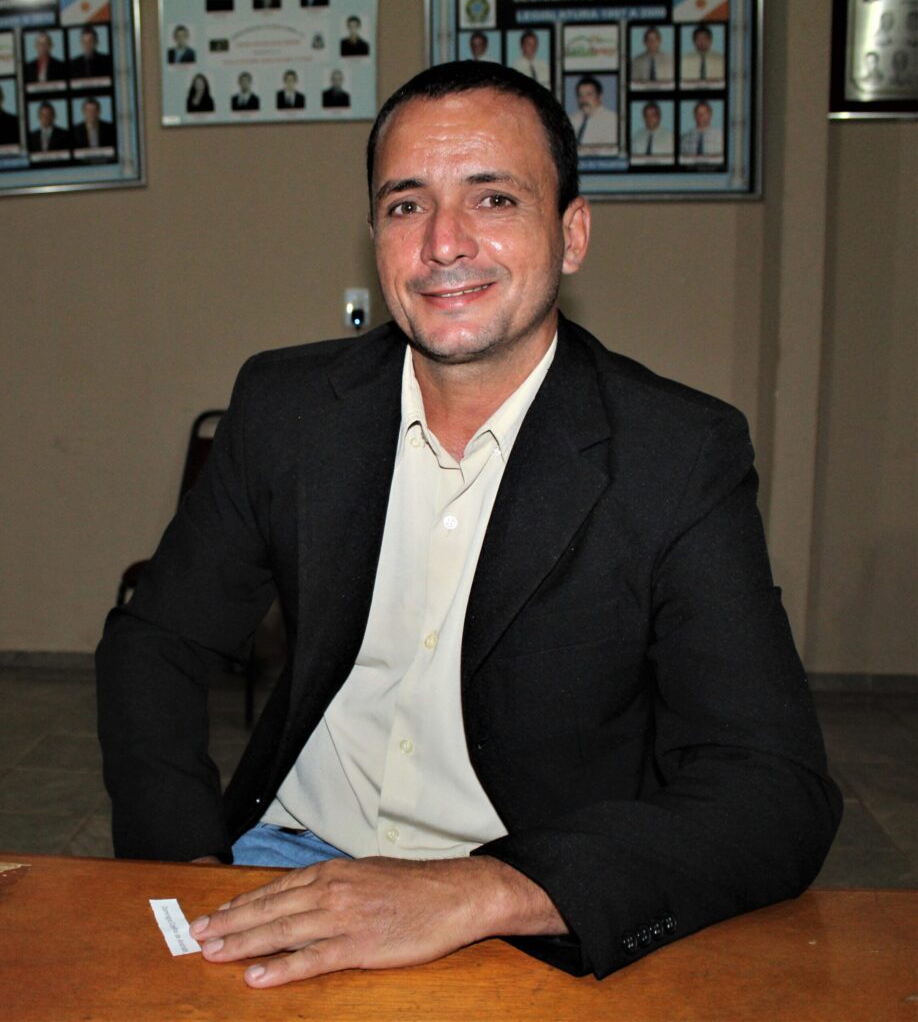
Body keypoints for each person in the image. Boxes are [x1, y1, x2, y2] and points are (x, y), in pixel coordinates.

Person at [97, 60, 841, 990]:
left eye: (494, 198)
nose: (444, 243)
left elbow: (773, 788)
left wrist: (484, 891)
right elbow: (156, 645)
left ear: (571, 234)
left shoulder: (677, 454)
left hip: (529, 896)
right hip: (288, 863)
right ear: (376, 236)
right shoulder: (288, 411)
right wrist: (188, 863)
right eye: (407, 205)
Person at [568, 76, 617, 148]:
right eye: (580, 95)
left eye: (589, 95)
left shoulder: (612, 120)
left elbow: (613, 150)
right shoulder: (572, 120)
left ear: (600, 96)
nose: (584, 100)